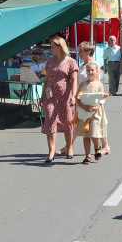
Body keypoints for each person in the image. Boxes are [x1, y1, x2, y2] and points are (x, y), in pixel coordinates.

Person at [41, 36, 78, 164]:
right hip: (51, 96)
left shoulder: (70, 62)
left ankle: (69, 147)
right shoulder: (49, 62)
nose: (51, 49)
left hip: (65, 97)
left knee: (67, 121)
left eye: (53, 46)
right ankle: (51, 151)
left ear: (60, 47)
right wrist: (42, 96)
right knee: (50, 121)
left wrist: (73, 95)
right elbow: (46, 80)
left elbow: (74, 80)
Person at [75, 61, 108, 164]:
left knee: (94, 132)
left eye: (92, 70)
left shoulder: (99, 85)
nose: (90, 72)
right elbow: (78, 97)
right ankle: (87, 156)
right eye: (88, 70)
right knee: (86, 135)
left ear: (97, 71)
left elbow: (101, 99)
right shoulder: (83, 84)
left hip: (95, 112)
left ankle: (96, 147)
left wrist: (96, 107)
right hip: (85, 112)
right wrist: (83, 106)